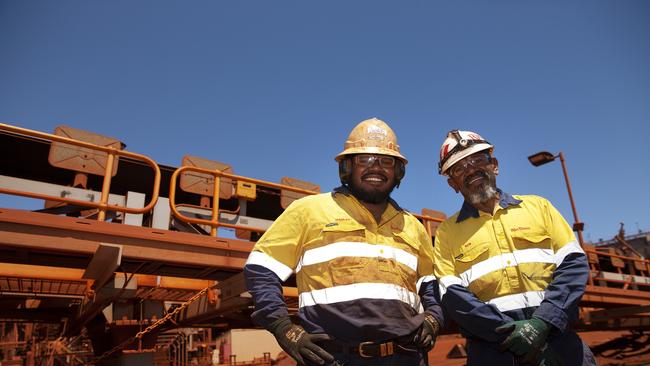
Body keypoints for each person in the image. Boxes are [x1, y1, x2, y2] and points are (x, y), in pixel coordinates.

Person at [243, 118, 444, 365]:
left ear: (398, 172)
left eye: (386, 161)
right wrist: (283, 328)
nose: (376, 168)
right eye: (364, 160)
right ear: (347, 168)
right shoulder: (308, 211)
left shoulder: (413, 226)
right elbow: (261, 269)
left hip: (407, 357)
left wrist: (434, 317)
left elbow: (429, 282)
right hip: (333, 358)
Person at [432, 130, 596, 366]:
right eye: (459, 168)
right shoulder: (447, 232)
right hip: (493, 353)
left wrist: (542, 324)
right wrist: (515, 336)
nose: (470, 169)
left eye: (477, 159)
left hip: (558, 342)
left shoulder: (539, 207)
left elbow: (573, 265)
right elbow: (453, 296)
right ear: (452, 184)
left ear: (494, 165)